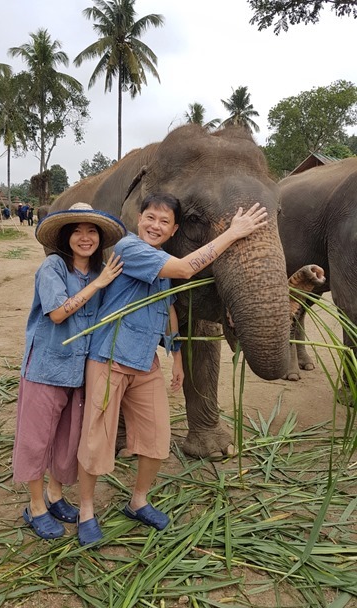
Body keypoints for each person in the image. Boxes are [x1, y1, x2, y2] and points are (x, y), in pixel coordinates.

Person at [76, 193, 268, 546]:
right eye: (151, 218)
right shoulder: (129, 249)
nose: (155, 226)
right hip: (109, 358)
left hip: (145, 361)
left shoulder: (160, 259)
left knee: (156, 439)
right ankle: (86, 511)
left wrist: (177, 356)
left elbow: (168, 309)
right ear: (138, 219)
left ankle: (138, 501)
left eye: (164, 222)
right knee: (97, 440)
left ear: (174, 229)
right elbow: (185, 270)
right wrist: (234, 232)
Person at [12, 202, 125, 540]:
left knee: (66, 440)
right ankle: (34, 507)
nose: (84, 237)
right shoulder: (53, 267)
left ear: (101, 237)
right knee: (36, 440)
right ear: (65, 236)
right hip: (46, 368)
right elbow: (59, 314)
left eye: (91, 231)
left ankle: (55, 495)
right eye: (77, 230)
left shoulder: (99, 271)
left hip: (80, 372)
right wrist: (100, 283)